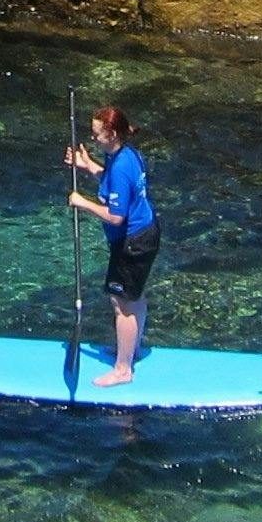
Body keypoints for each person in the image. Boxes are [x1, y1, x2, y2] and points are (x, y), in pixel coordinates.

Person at [64, 101, 159, 386]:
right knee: (134, 297)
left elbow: (116, 217)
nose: (93, 139)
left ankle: (122, 370)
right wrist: (87, 166)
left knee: (122, 304)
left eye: (97, 134)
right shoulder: (127, 155)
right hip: (146, 233)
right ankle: (131, 350)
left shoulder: (120, 166)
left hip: (133, 242)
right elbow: (116, 184)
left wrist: (82, 203)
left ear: (113, 134)